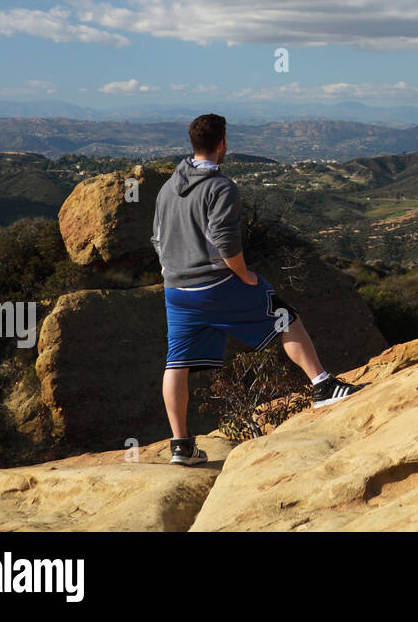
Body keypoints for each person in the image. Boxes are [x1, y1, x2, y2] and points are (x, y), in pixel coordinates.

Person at [151, 113, 361, 466]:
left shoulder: (168, 187)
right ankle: (323, 386)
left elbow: (157, 237)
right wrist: (244, 274)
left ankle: (181, 447)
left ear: (193, 143)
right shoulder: (221, 187)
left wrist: (172, 272)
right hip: (216, 284)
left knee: (177, 363)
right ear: (222, 144)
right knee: (284, 316)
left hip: (176, 289)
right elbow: (225, 242)